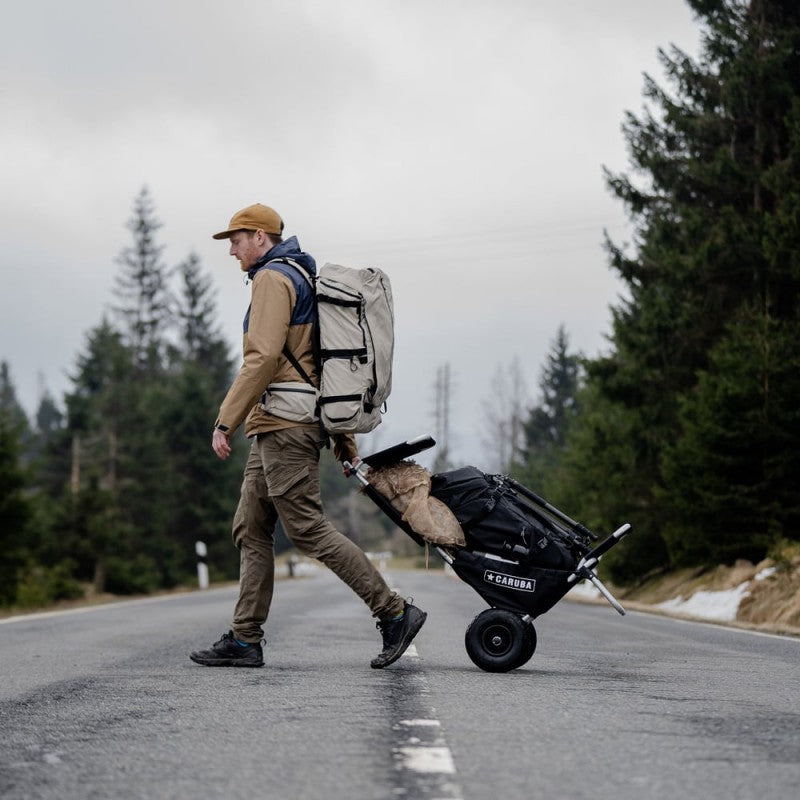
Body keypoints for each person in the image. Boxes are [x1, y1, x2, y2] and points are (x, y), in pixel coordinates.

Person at [189, 203, 426, 670]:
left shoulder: (273, 279)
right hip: (280, 424)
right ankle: (244, 638)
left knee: (308, 529)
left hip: (284, 425)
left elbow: (261, 358)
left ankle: (394, 611)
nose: (232, 249)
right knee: (251, 527)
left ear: (261, 236)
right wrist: (343, 441)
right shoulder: (301, 276)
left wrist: (224, 421)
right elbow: (322, 366)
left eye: (236, 239)